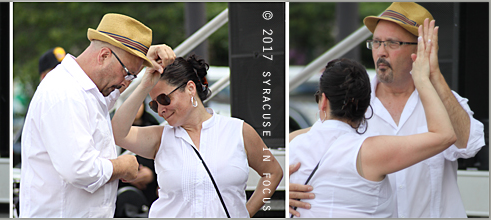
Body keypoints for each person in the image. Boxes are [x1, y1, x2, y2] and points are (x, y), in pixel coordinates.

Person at [288, 2, 485, 218]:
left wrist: (434, 76)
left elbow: (470, 145)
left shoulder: (445, 100)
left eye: (392, 43)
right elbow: (317, 136)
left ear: (420, 49)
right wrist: (287, 185)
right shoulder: (356, 100)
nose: (381, 52)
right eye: (376, 42)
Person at [19, 13, 175, 217]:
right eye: (127, 72)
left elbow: (109, 96)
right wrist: (122, 166)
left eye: (131, 77)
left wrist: (143, 65)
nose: (124, 82)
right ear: (103, 56)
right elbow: (79, 170)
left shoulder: (82, 89)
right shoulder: (66, 93)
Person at [111, 54, 283, 217]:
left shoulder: (238, 130)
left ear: (190, 88)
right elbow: (117, 132)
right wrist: (145, 85)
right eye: (154, 105)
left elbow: (273, 172)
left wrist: (246, 213)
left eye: (164, 99)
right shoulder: (160, 137)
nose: (161, 110)